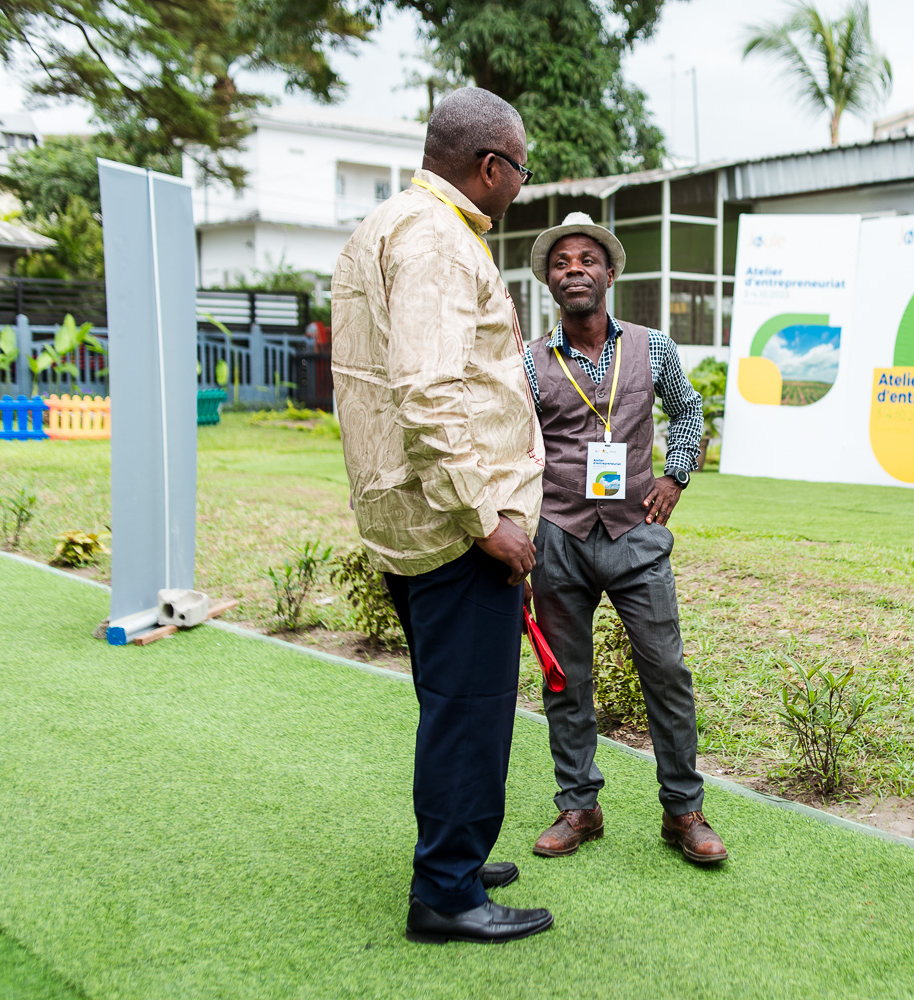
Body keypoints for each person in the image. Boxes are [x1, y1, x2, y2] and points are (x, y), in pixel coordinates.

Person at [331, 87, 554, 944]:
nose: (519, 188)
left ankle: (455, 850)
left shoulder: (387, 225)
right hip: (455, 525)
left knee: (448, 701)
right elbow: (428, 391)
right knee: (472, 707)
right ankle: (448, 893)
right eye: (520, 171)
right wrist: (484, 517)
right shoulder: (438, 242)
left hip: (408, 517)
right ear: (490, 166)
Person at [523, 212, 728, 865]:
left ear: (610, 273)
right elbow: (515, 443)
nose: (574, 269)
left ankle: (683, 811)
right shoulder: (530, 361)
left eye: (586, 259)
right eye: (561, 263)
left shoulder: (654, 347)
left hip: (636, 531)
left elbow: (689, 409)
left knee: (666, 670)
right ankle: (578, 806)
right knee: (565, 678)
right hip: (558, 532)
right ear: (550, 282)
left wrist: (676, 473)